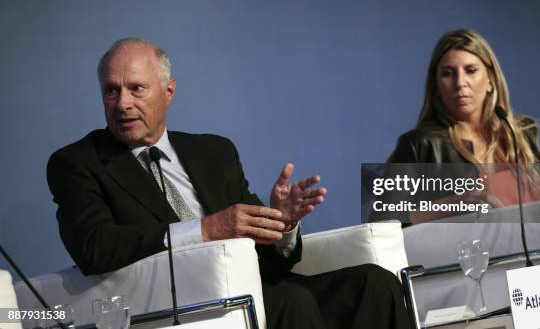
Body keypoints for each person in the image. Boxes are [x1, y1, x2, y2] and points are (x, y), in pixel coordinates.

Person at [48, 37, 409, 329]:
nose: (122, 103)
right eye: (111, 91)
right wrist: (203, 230)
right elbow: (94, 247)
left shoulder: (213, 151)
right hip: (188, 303)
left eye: (136, 89)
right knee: (290, 301)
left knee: (373, 284)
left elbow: (268, 253)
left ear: (168, 91)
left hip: (260, 283)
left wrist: (281, 225)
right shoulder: (79, 162)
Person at [387, 28, 540, 225]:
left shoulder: (522, 134)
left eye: (471, 70)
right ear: (435, 86)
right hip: (474, 263)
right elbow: (384, 221)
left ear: (491, 79)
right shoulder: (420, 145)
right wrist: (448, 206)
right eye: (447, 73)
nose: (460, 82)